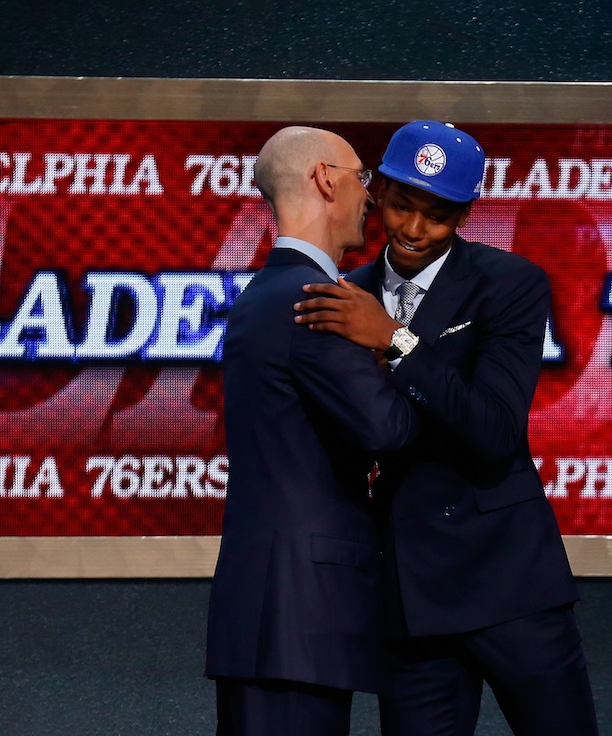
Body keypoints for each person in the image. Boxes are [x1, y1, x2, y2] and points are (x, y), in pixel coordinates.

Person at [294, 120, 599, 736]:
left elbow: (494, 430)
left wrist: (398, 341)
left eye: (437, 215)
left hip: (509, 580)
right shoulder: (344, 293)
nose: (412, 229)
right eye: (402, 206)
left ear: (465, 214)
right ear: (377, 191)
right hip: (409, 594)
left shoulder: (510, 284)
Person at [205, 126, 419, 736]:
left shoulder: (264, 294)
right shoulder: (317, 302)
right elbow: (389, 429)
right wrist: (399, 345)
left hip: (270, 614)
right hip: (297, 618)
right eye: (362, 179)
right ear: (326, 179)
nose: (370, 198)